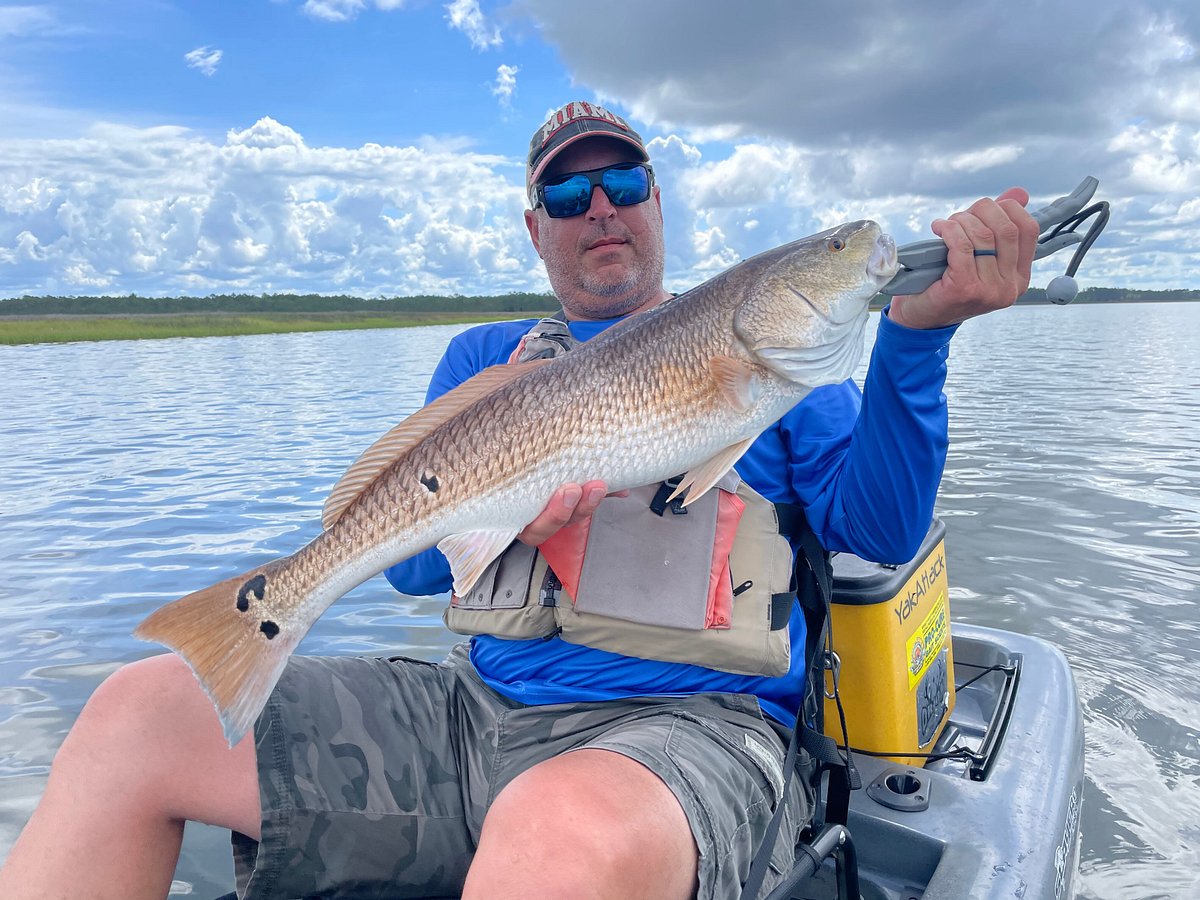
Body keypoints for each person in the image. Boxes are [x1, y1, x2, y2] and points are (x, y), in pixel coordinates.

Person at [0, 100, 1039, 900]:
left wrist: (916, 338)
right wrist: (497, 511)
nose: (600, 208)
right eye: (567, 195)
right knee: (136, 714)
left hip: (691, 733)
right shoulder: (485, 360)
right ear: (535, 229)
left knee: (553, 828)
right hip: (476, 717)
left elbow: (877, 534)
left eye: (624, 181)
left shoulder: (786, 375)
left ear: (658, 205)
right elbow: (412, 567)